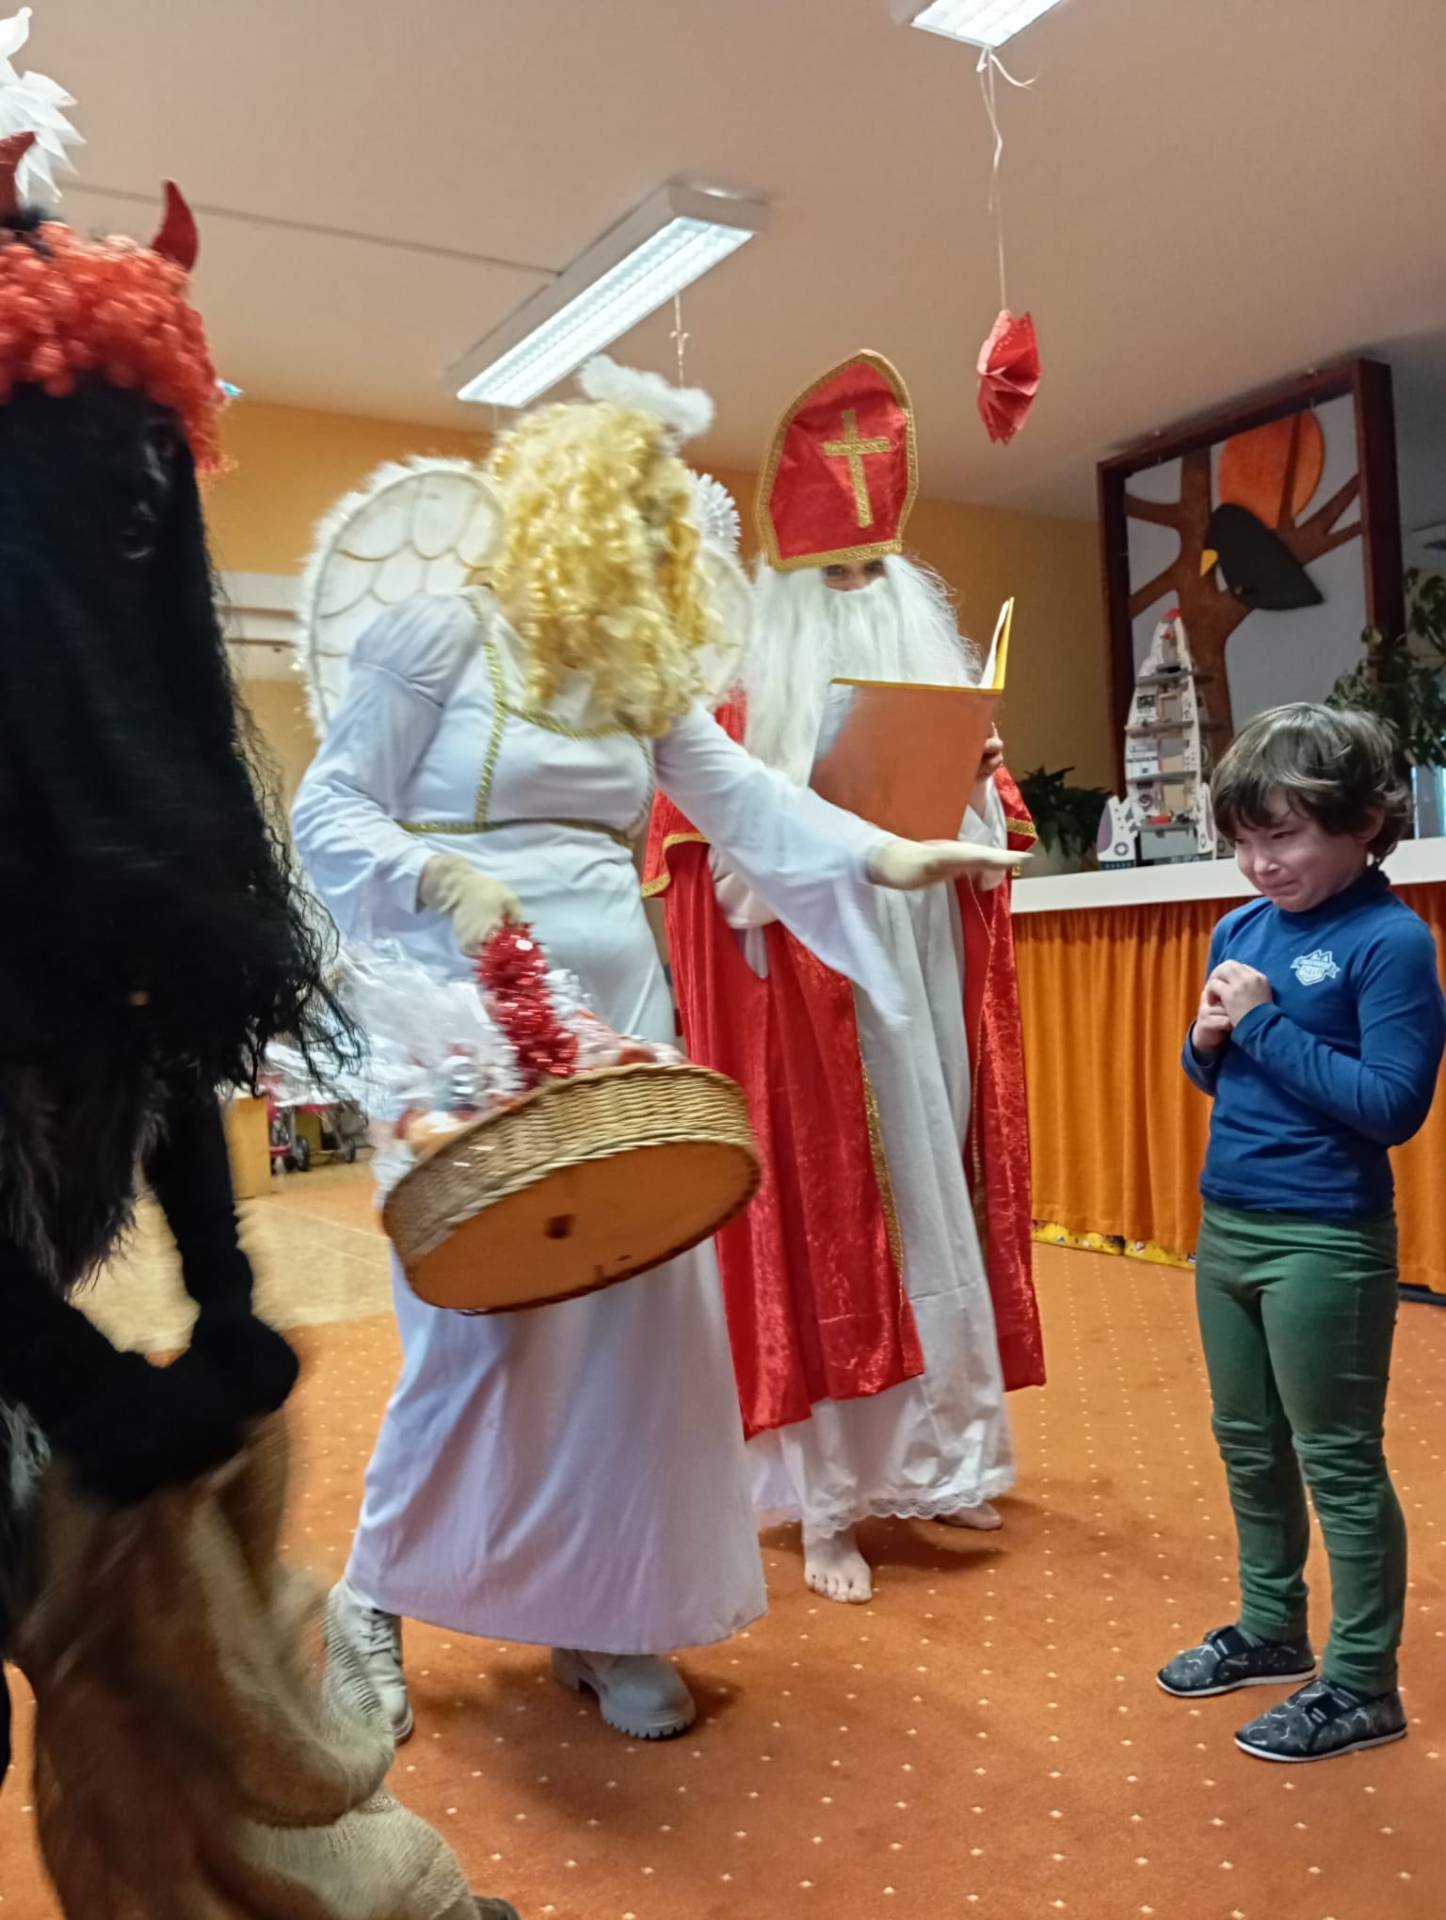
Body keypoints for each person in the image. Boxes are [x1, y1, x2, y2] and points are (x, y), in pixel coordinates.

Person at [292, 355, 1015, 1742]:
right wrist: (438, 876)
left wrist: (887, 854)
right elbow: (326, 813)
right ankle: (372, 1597)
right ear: (568, 510)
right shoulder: (436, 637)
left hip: (618, 1023)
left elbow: (743, 799)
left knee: (636, 1331)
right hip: (460, 1025)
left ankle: (608, 1616)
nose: (653, 545)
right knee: (478, 1335)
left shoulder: (637, 674)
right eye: (631, 517)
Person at [0, 62, 514, 1910]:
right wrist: (70, 1375)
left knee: (148, 1645)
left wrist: (217, 1285)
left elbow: (156, 1005)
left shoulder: (113, 781)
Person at [645, 350, 1044, 1606]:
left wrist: (968, 784)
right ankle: (827, 1507)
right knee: (834, 1246)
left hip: (922, 994)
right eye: (837, 575)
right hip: (808, 1017)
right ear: (788, 588)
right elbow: (702, 874)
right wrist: (789, 864)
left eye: (875, 572)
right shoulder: (733, 711)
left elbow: (993, 839)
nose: (862, 595)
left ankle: (944, 1461)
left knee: (939, 1218)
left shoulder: (930, 667)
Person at [1159, 703, 1445, 1762]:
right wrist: (1207, 1040)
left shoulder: (1389, 940)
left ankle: (1364, 1682)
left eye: (1282, 836)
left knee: (1338, 1460)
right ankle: (1271, 1627)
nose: (1258, 863)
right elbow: (1219, 1072)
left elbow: (1391, 1106)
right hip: (1228, 1222)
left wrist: (1262, 1021)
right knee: (1247, 1442)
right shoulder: (1241, 930)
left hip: (1326, 1240)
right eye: (1243, 840)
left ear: (1363, 824)